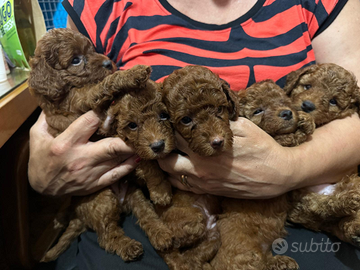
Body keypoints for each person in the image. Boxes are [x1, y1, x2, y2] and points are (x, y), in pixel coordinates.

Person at [31, 0, 360, 269]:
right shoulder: (101, 5)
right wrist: (42, 169)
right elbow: (58, 102)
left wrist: (289, 168)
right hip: (148, 203)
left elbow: (353, 105)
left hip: (293, 203)